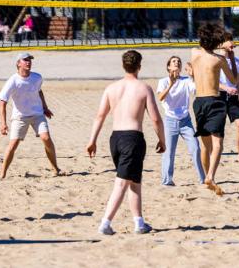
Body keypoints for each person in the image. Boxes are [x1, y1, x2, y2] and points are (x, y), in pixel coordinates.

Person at [86, 50, 166, 235]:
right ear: (139, 66)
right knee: (122, 182)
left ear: (124, 65)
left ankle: (139, 222)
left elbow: (100, 115)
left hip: (115, 139)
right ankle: (105, 223)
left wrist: (93, 140)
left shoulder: (111, 88)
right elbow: (155, 119)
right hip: (133, 138)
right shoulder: (143, 88)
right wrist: (162, 140)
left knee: (134, 181)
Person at [0, 52, 63, 178]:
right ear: (18, 63)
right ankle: (3, 173)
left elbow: (39, 91)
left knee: (46, 138)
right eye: (25, 60)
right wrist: (3, 123)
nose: (29, 62)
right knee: (13, 144)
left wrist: (45, 107)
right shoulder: (13, 81)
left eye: (30, 60)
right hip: (20, 117)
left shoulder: (37, 77)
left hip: (37, 114)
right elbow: (2, 102)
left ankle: (56, 168)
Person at [191, 23, 237, 196]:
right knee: (218, 144)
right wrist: (230, 57)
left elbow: (202, 46)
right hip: (215, 101)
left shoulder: (194, 53)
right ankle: (211, 175)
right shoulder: (220, 60)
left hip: (199, 102)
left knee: (205, 146)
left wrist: (218, 44)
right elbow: (233, 80)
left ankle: (206, 178)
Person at [156, 56, 205, 186]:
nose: (176, 62)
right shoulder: (163, 81)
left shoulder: (186, 80)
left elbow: (197, 91)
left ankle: (203, 179)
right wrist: (171, 84)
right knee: (169, 152)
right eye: (173, 61)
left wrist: (193, 76)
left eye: (178, 61)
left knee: (195, 148)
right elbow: (160, 97)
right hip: (170, 121)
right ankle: (167, 181)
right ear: (168, 67)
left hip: (185, 121)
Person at [219, 32, 239, 163]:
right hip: (218, 96)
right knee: (217, 129)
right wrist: (225, 88)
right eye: (229, 40)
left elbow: (238, 82)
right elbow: (211, 81)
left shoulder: (236, 61)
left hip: (233, 96)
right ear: (221, 44)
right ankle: (215, 152)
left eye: (232, 40)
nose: (232, 43)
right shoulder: (216, 60)